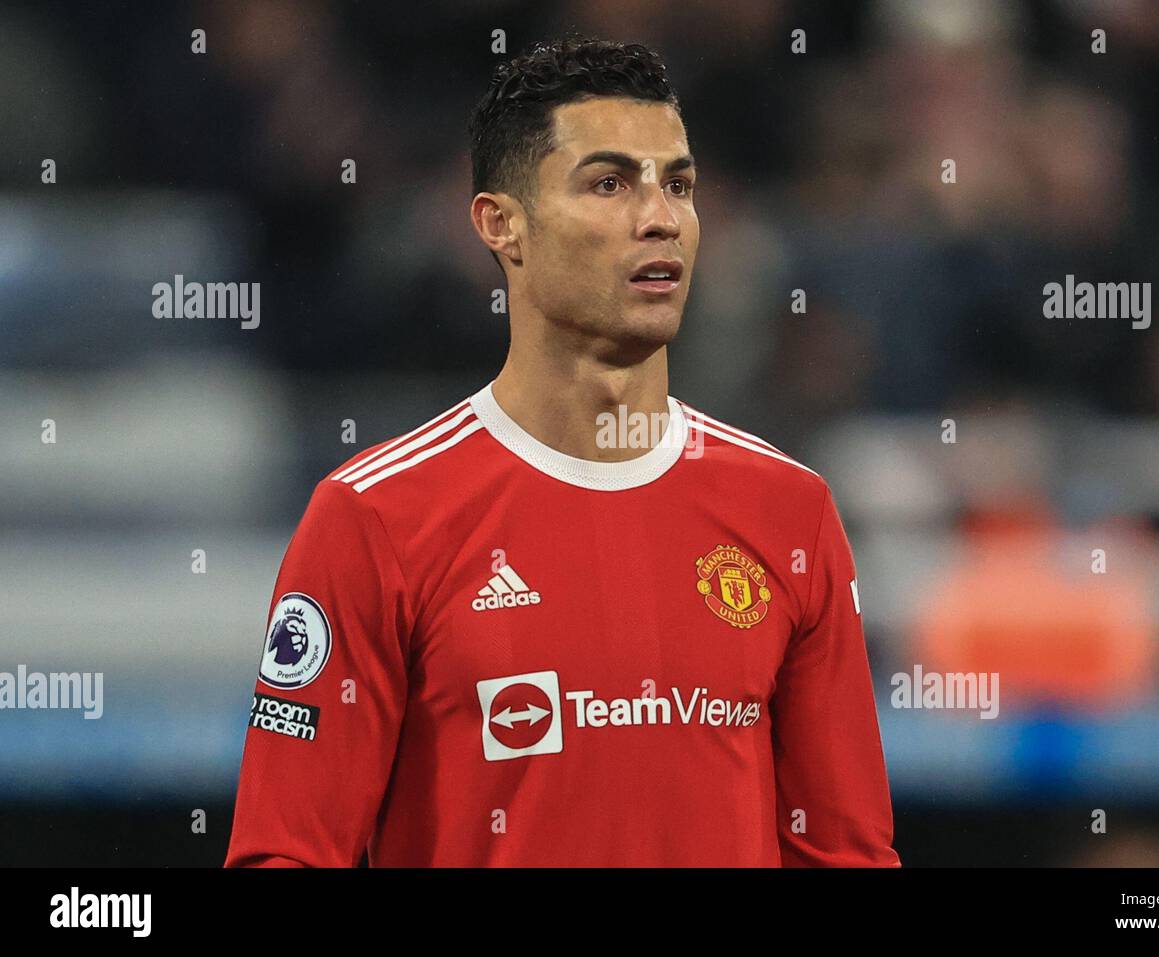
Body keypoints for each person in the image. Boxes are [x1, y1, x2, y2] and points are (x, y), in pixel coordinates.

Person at [225, 34, 900, 867]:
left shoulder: (789, 509)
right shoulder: (375, 516)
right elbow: (284, 853)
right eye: (609, 182)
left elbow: (847, 853)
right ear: (501, 224)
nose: (660, 217)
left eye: (678, 185)